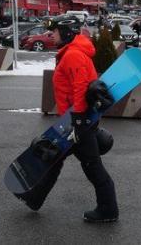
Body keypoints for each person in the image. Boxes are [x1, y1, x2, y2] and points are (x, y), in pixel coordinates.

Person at [50, 16, 119, 223]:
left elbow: (80, 87)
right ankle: (34, 196)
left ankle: (108, 210)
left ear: (66, 33)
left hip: (79, 122)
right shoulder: (70, 53)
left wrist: (78, 121)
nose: (51, 35)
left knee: (93, 167)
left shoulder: (73, 55)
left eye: (55, 31)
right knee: (81, 163)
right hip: (74, 120)